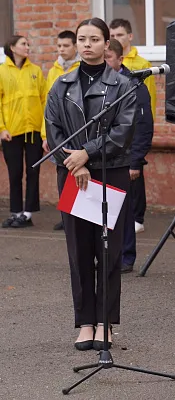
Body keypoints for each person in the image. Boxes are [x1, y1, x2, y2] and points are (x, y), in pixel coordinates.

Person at [45, 17, 136, 351]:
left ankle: (105, 322)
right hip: (72, 173)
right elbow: (53, 129)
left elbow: (124, 131)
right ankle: (85, 321)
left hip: (109, 171)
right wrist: (74, 162)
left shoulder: (122, 85)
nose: (86, 44)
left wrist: (87, 153)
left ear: (106, 44)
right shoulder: (61, 84)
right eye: (82, 38)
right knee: (79, 251)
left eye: (94, 39)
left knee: (107, 250)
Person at [104, 39, 153, 274]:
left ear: (120, 59)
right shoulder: (96, 83)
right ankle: (104, 255)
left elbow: (143, 126)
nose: (104, 63)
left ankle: (126, 257)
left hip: (125, 158)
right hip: (100, 156)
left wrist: (136, 160)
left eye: (108, 58)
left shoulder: (134, 85)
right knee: (101, 209)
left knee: (125, 212)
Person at [109, 18, 155, 234]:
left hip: (132, 137)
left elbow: (146, 107)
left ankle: (137, 217)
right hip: (107, 149)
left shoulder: (140, 68)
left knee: (134, 182)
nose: (116, 38)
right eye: (113, 34)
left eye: (119, 34)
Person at [0, 35, 46, 228]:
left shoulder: (35, 71)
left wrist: (44, 132)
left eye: (28, 44)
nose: (28, 47)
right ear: (12, 47)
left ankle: (27, 214)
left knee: (33, 171)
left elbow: (45, 102)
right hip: (12, 131)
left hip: (34, 130)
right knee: (15, 172)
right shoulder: (1, 71)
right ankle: (16, 212)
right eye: (23, 44)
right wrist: (2, 128)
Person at [42, 30, 81, 231]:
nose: (62, 49)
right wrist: (45, 134)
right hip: (57, 132)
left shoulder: (80, 68)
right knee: (62, 174)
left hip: (75, 130)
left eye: (66, 46)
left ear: (75, 46)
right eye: (59, 46)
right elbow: (48, 106)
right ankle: (66, 216)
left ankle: (77, 216)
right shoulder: (54, 70)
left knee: (77, 173)